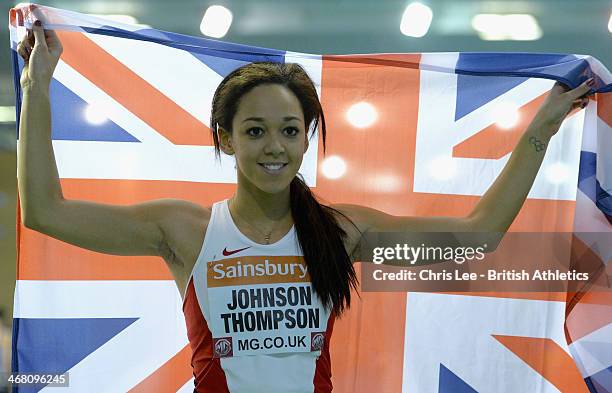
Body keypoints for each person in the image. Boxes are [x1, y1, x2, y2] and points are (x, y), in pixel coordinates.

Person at [16, 21, 593, 393]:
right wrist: (38, 86)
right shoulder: (183, 228)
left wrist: (539, 131)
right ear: (225, 139)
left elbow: (477, 237)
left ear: (307, 136)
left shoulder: (341, 231)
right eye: (256, 130)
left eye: (290, 130)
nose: (275, 147)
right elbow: (45, 211)